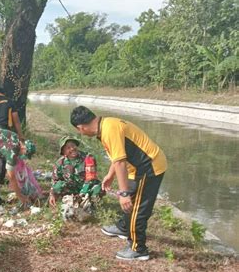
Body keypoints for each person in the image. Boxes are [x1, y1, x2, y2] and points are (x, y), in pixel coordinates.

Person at [70, 106, 167, 261]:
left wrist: (123, 193)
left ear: (81, 127)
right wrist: (110, 175)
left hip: (149, 167)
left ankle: (138, 248)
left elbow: (120, 162)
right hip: (137, 167)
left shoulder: (108, 131)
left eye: (79, 131)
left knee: (138, 207)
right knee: (131, 199)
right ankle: (123, 227)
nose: (81, 133)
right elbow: (117, 156)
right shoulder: (105, 125)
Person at [49, 136, 90, 207]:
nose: (72, 149)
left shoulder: (87, 158)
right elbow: (54, 181)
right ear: (64, 152)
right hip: (70, 189)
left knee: (98, 188)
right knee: (58, 186)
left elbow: (91, 177)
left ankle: (90, 203)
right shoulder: (60, 163)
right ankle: (69, 201)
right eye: (68, 148)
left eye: (73, 146)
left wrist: (83, 192)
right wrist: (52, 195)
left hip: (86, 187)